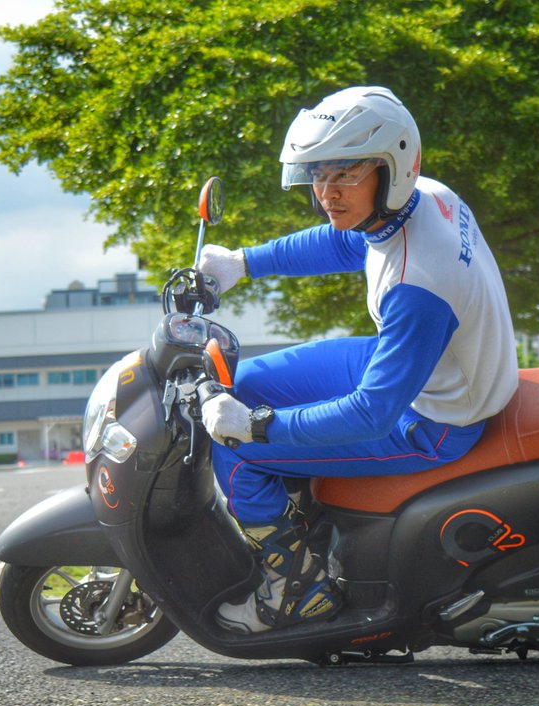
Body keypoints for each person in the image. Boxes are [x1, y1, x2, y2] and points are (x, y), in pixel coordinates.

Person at [198, 85, 519, 634]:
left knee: (238, 447)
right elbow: (346, 243)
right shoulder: (424, 198)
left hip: (434, 417)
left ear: (391, 168)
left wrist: (255, 429)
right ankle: (298, 504)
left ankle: (296, 589)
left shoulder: (417, 285)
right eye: (318, 174)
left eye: (345, 173)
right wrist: (241, 263)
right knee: (242, 381)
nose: (327, 192)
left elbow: (371, 413)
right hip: (428, 368)